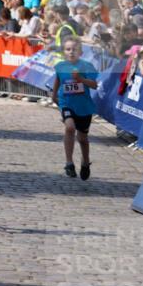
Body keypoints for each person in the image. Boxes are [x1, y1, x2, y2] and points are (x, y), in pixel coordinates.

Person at [51, 36, 98, 180]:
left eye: (74, 49)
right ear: (64, 52)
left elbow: (94, 85)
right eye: (68, 49)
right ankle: (69, 162)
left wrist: (81, 80)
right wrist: (54, 95)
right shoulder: (60, 66)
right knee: (70, 128)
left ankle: (85, 162)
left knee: (83, 138)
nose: (71, 52)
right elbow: (58, 79)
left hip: (83, 107)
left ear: (81, 52)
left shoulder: (87, 66)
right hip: (67, 103)